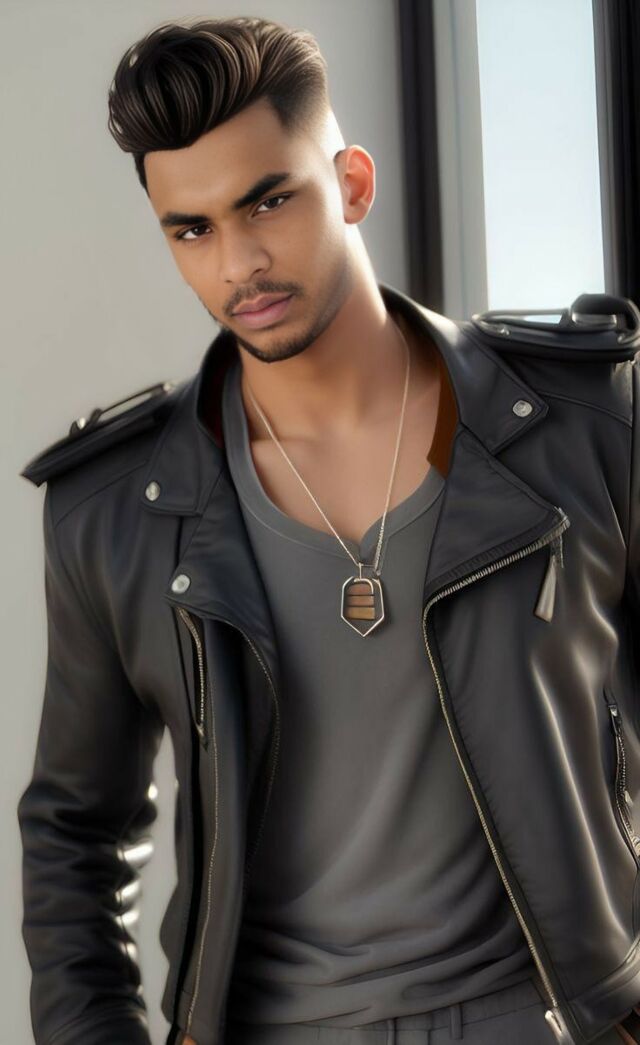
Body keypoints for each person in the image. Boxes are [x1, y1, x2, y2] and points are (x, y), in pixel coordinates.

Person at [16, 14, 640, 1045]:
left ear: (351, 183)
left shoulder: (583, 427)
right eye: (192, 229)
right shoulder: (114, 514)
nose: (239, 262)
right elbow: (74, 831)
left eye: (269, 201)